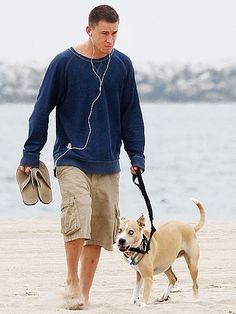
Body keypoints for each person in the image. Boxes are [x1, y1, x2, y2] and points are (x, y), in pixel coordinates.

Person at [19, 4, 145, 308]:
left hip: (108, 162)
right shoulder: (64, 63)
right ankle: (71, 279)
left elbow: (131, 114)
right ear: (89, 30)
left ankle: (83, 297)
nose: (110, 39)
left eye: (115, 33)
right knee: (78, 215)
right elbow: (41, 108)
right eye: (104, 33)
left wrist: (137, 155)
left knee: (101, 230)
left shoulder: (123, 65)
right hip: (70, 157)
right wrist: (30, 152)